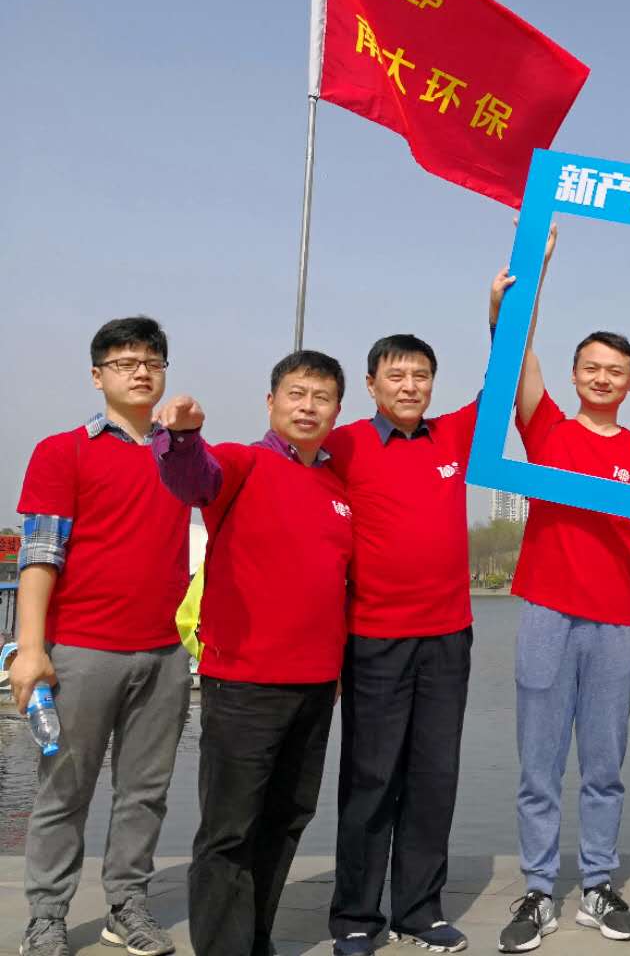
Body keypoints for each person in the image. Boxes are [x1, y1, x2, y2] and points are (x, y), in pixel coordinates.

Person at [488, 228, 630, 953]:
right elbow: (516, 353)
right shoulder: (548, 432)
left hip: (616, 623)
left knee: (604, 767)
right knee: (539, 766)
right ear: (573, 375)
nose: (603, 378)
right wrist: (531, 272)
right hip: (546, 614)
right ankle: (539, 890)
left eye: (615, 371)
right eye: (592, 367)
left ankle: (598, 885)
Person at [154, 350, 354, 956]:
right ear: (271, 402)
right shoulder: (244, 463)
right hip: (244, 682)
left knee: (287, 819)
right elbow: (195, 478)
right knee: (229, 830)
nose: (308, 407)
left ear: (337, 410)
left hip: (315, 684)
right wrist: (182, 437)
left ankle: (255, 938)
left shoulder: (337, 486)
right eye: (296, 394)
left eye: (321, 397)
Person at [12, 317, 191, 956]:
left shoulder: (182, 456)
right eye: (124, 362)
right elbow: (40, 553)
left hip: (164, 653)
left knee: (145, 794)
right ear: (97, 376)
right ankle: (47, 917)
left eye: (152, 361)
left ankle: (127, 906)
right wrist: (31, 649)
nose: (140, 372)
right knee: (64, 790)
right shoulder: (63, 451)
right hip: (83, 651)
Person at [323, 333, 478, 956]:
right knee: (371, 778)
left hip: (448, 637)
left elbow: (500, 386)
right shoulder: (343, 444)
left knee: (434, 777)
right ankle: (356, 915)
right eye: (396, 375)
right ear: (371, 385)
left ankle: (420, 911)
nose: (409, 386)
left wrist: (502, 314)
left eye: (421, 375)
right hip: (373, 639)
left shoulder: (453, 436)